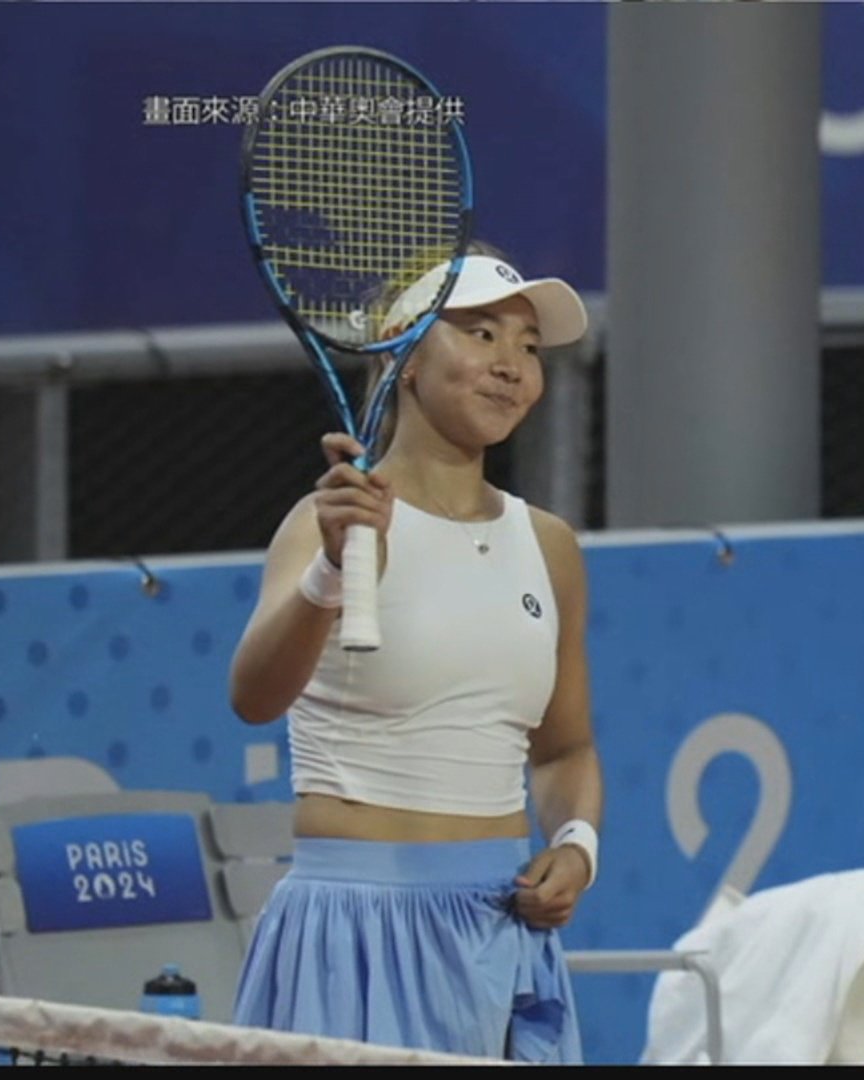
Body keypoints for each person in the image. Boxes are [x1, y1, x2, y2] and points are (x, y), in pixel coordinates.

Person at [226, 243, 601, 1063]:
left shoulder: (550, 546)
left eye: (528, 346)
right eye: (481, 334)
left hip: (500, 934)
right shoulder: (322, 524)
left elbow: (564, 750)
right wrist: (331, 570)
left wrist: (577, 844)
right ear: (405, 358)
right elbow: (253, 696)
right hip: (352, 935)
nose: (510, 366)